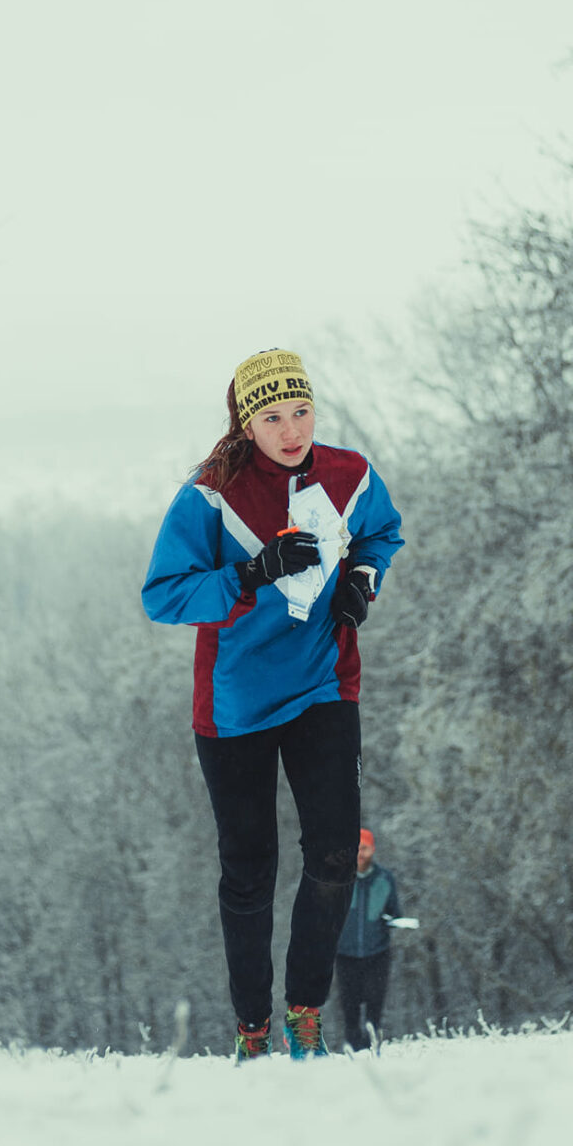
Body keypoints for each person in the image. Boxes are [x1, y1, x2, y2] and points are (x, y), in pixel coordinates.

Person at [141, 349, 403, 1061]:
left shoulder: (350, 475)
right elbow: (163, 594)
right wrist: (251, 573)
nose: (291, 431)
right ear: (245, 422)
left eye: (301, 412)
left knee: (332, 853)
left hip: (323, 685)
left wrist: (365, 580)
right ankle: (252, 1025)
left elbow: (382, 531)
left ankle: (303, 1013)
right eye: (272, 417)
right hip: (234, 707)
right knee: (248, 869)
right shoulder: (211, 495)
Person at [335, 827, 403, 1051]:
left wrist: (392, 920)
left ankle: (374, 1043)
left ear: (372, 849)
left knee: (376, 1000)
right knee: (349, 1004)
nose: (360, 853)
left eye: (364, 848)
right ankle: (352, 1046)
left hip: (378, 951)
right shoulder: (340, 878)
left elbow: (394, 911)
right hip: (345, 952)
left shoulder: (385, 879)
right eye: (356, 849)